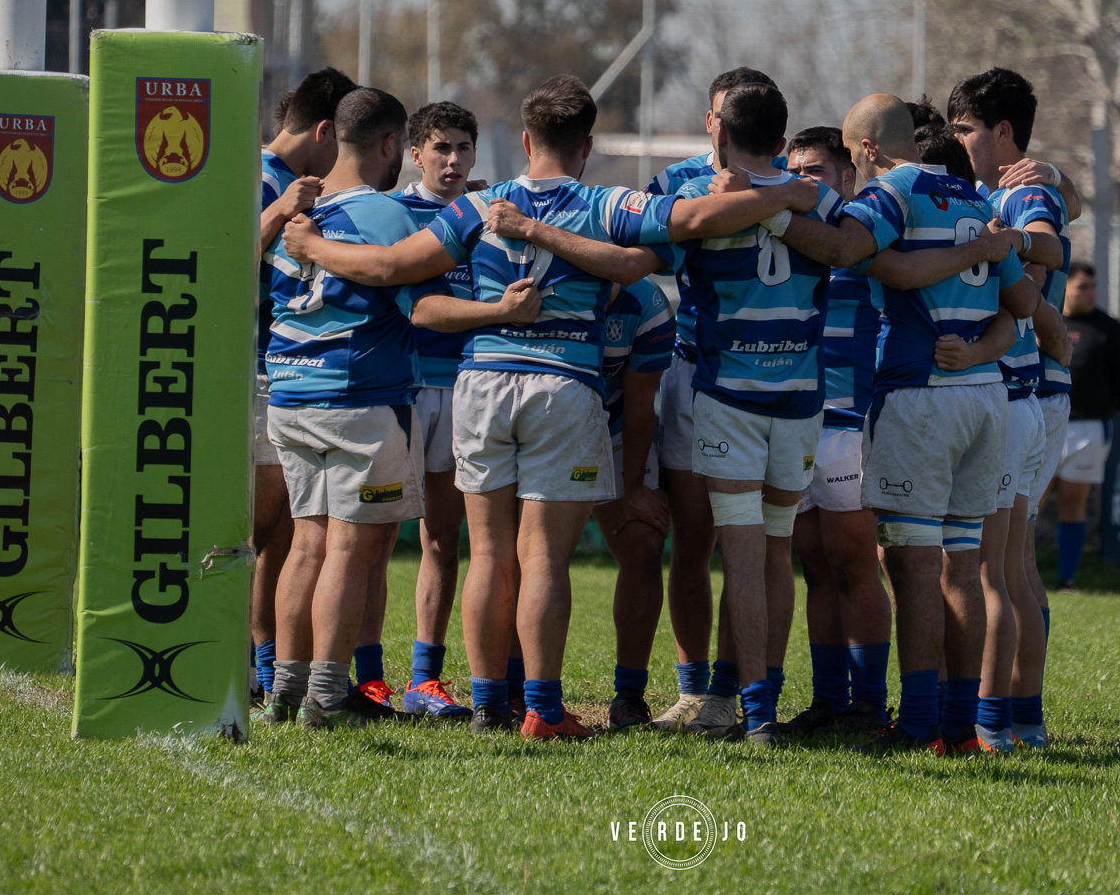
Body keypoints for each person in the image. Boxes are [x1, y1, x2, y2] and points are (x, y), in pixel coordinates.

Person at [284, 74, 822, 739]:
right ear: (588, 145)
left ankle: (486, 706)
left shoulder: (479, 208)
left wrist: (311, 248)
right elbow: (687, 222)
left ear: (526, 138)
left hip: (480, 385)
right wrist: (789, 195)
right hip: (565, 384)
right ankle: (540, 707)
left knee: (486, 554)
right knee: (541, 560)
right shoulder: (603, 204)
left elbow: (395, 268)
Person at [774, 92, 1041, 755]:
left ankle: (919, 721)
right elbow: (1022, 299)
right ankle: (960, 724)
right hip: (984, 398)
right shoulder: (975, 199)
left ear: (863, 149)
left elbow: (845, 250)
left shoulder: (890, 193)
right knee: (962, 566)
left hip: (920, 396)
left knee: (913, 567)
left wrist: (772, 213)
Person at [261, 88, 491, 728]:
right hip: (360, 400)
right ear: (394, 145)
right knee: (349, 553)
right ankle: (330, 698)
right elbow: (421, 308)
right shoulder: (386, 216)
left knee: (307, 544)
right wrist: (503, 313)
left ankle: (285, 688)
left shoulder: (297, 217)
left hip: (290, 391)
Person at [660, 81, 847, 746]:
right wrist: (784, 199)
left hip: (731, 396)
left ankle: (757, 713)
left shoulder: (701, 198)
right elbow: (845, 249)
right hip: (799, 395)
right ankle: (756, 701)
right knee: (776, 550)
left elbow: (667, 237)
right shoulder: (818, 194)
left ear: (717, 131)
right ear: (781, 136)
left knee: (738, 554)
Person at [643, 65, 779, 734]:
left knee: (748, 546)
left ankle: (734, 693)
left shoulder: (795, 182)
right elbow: (644, 257)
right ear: (712, 122)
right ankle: (694, 689)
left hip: (773, 386)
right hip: (694, 377)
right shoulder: (674, 182)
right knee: (693, 539)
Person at [947, 67, 1076, 751]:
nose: (955, 140)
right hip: (1020, 390)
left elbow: (1049, 243)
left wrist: (1014, 245)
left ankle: (998, 720)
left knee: (997, 569)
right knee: (1011, 566)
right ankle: (1023, 718)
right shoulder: (1000, 188)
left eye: (965, 128)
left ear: (1003, 132)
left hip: (1022, 391)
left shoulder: (1024, 194)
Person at [780, 127, 893, 739]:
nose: (804, 181)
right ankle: (828, 702)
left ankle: (870, 708)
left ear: (849, 175)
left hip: (850, 418)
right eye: (794, 170)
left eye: (817, 170)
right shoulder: (786, 228)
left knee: (854, 561)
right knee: (815, 565)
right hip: (793, 417)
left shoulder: (863, 231)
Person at [252, 67, 355, 706]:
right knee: (263, 533)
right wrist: (280, 212)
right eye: (340, 141)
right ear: (323, 131)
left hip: (284, 377)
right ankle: (255, 670)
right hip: (258, 376)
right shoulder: (261, 177)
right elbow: (220, 257)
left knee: (284, 535)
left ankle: (267, 672)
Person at [390, 101, 485, 718]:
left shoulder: (485, 214)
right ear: (415, 152)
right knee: (362, 541)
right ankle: (352, 673)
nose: (453, 160)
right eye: (441, 148)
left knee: (442, 539)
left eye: (463, 149)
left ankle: (425, 678)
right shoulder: (391, 213)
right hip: (397, 388)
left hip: (465, 388)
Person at [591, 277, 674, 726]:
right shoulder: (544, 277)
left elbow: (642, 400)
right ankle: (515, 689)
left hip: (616, 423)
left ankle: (629, 695)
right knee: (528, 551)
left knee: (643, 544)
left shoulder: (647, 302)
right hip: (545, 422)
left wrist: (635, 487)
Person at [1050, 262, 1120, 589]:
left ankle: (1067, 577)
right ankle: (1022, 573)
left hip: (1089, 429)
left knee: (1073, 503)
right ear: (1065, 288)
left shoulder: (1107, 328)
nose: (1089, 293)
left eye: (1092, 287)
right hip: (1046, 423)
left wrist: (1103, 408)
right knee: (1031, 502)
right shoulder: (1046, 316)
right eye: (1081, 287)